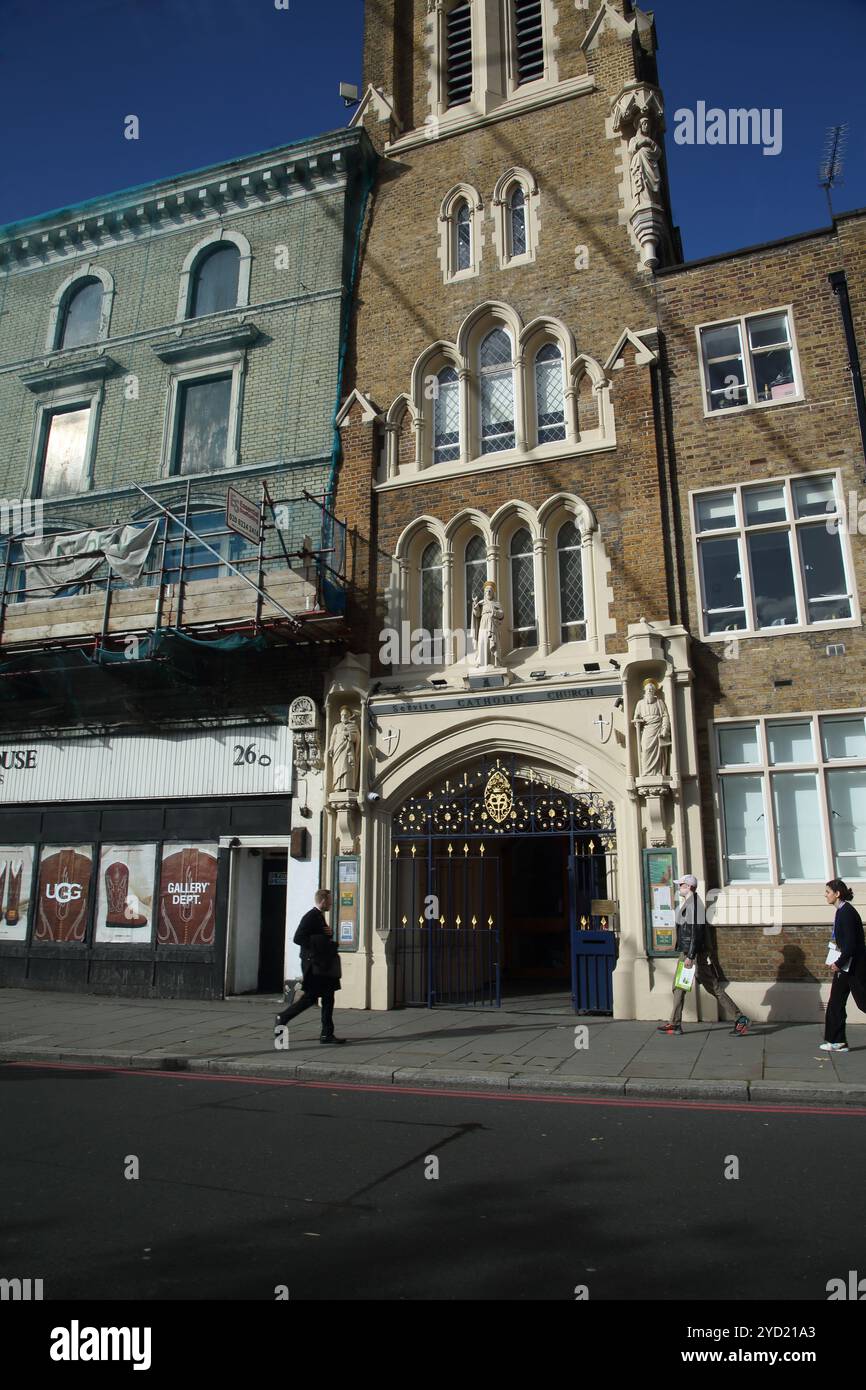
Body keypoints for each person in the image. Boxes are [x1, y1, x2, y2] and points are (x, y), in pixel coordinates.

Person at [658, 874, 751, 1036]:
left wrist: (691, 956)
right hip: (689, 952)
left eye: (681, 885)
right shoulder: (690, 904)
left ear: (688, 887)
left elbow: (697, 933)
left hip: (693, 953)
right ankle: (675, 1023)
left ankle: (740, 1018)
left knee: (711, 987)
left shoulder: (695, 906)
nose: (678, 888)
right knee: (679, 987)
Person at [274, 889, 347, 1044]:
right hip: (314, 965)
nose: (331, 903)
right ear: (322, 901)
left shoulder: (319, 917)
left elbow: (318, 936)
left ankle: (327, 1034)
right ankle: (283, 1017)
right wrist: (318, 944)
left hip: (322, 964)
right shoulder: (311, 916)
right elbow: (298, 937)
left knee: (328, 997)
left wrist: (327, 936)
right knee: (310, 998)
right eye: (329, 900)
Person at [820, 879, 866, 1053]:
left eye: (828, 891)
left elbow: (852, 944)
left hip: (852, 965)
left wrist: (838, 963)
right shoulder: (842, 911)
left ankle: (837, 1041)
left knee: (863, 1002)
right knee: (836, 1002)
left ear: (837, 893)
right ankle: (837, 1041)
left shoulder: (846, 912)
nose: (826, 895)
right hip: (847, 964)